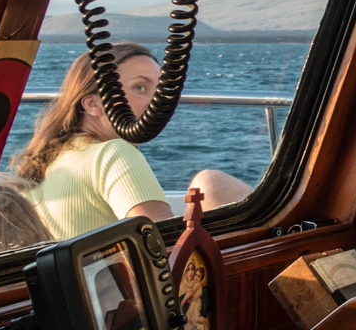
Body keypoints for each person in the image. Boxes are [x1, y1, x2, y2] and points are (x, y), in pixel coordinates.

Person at [13, 42, 252, 240]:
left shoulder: (51, 161)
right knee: (211, 184)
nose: (158, 102)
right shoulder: (113, 153)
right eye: (140, 87)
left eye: (160, 91)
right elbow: (165, 248)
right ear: (93, 104)